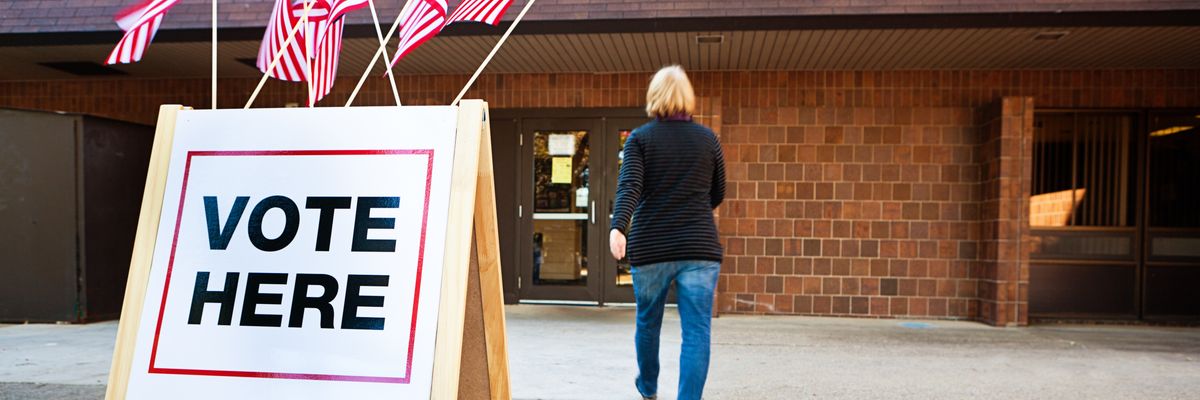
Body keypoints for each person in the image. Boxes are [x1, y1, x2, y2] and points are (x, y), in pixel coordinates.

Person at [609, 65, 725, 400]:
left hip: (652, 248)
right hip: (699, 248)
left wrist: (619, 226)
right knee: (697, 332)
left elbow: (630, 185)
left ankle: (648, 388)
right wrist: (693, 210)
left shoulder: (640, 139)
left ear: (654, 96)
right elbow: (718, 192)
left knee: (648, 323)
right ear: (687, 96)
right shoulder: (708, 139)